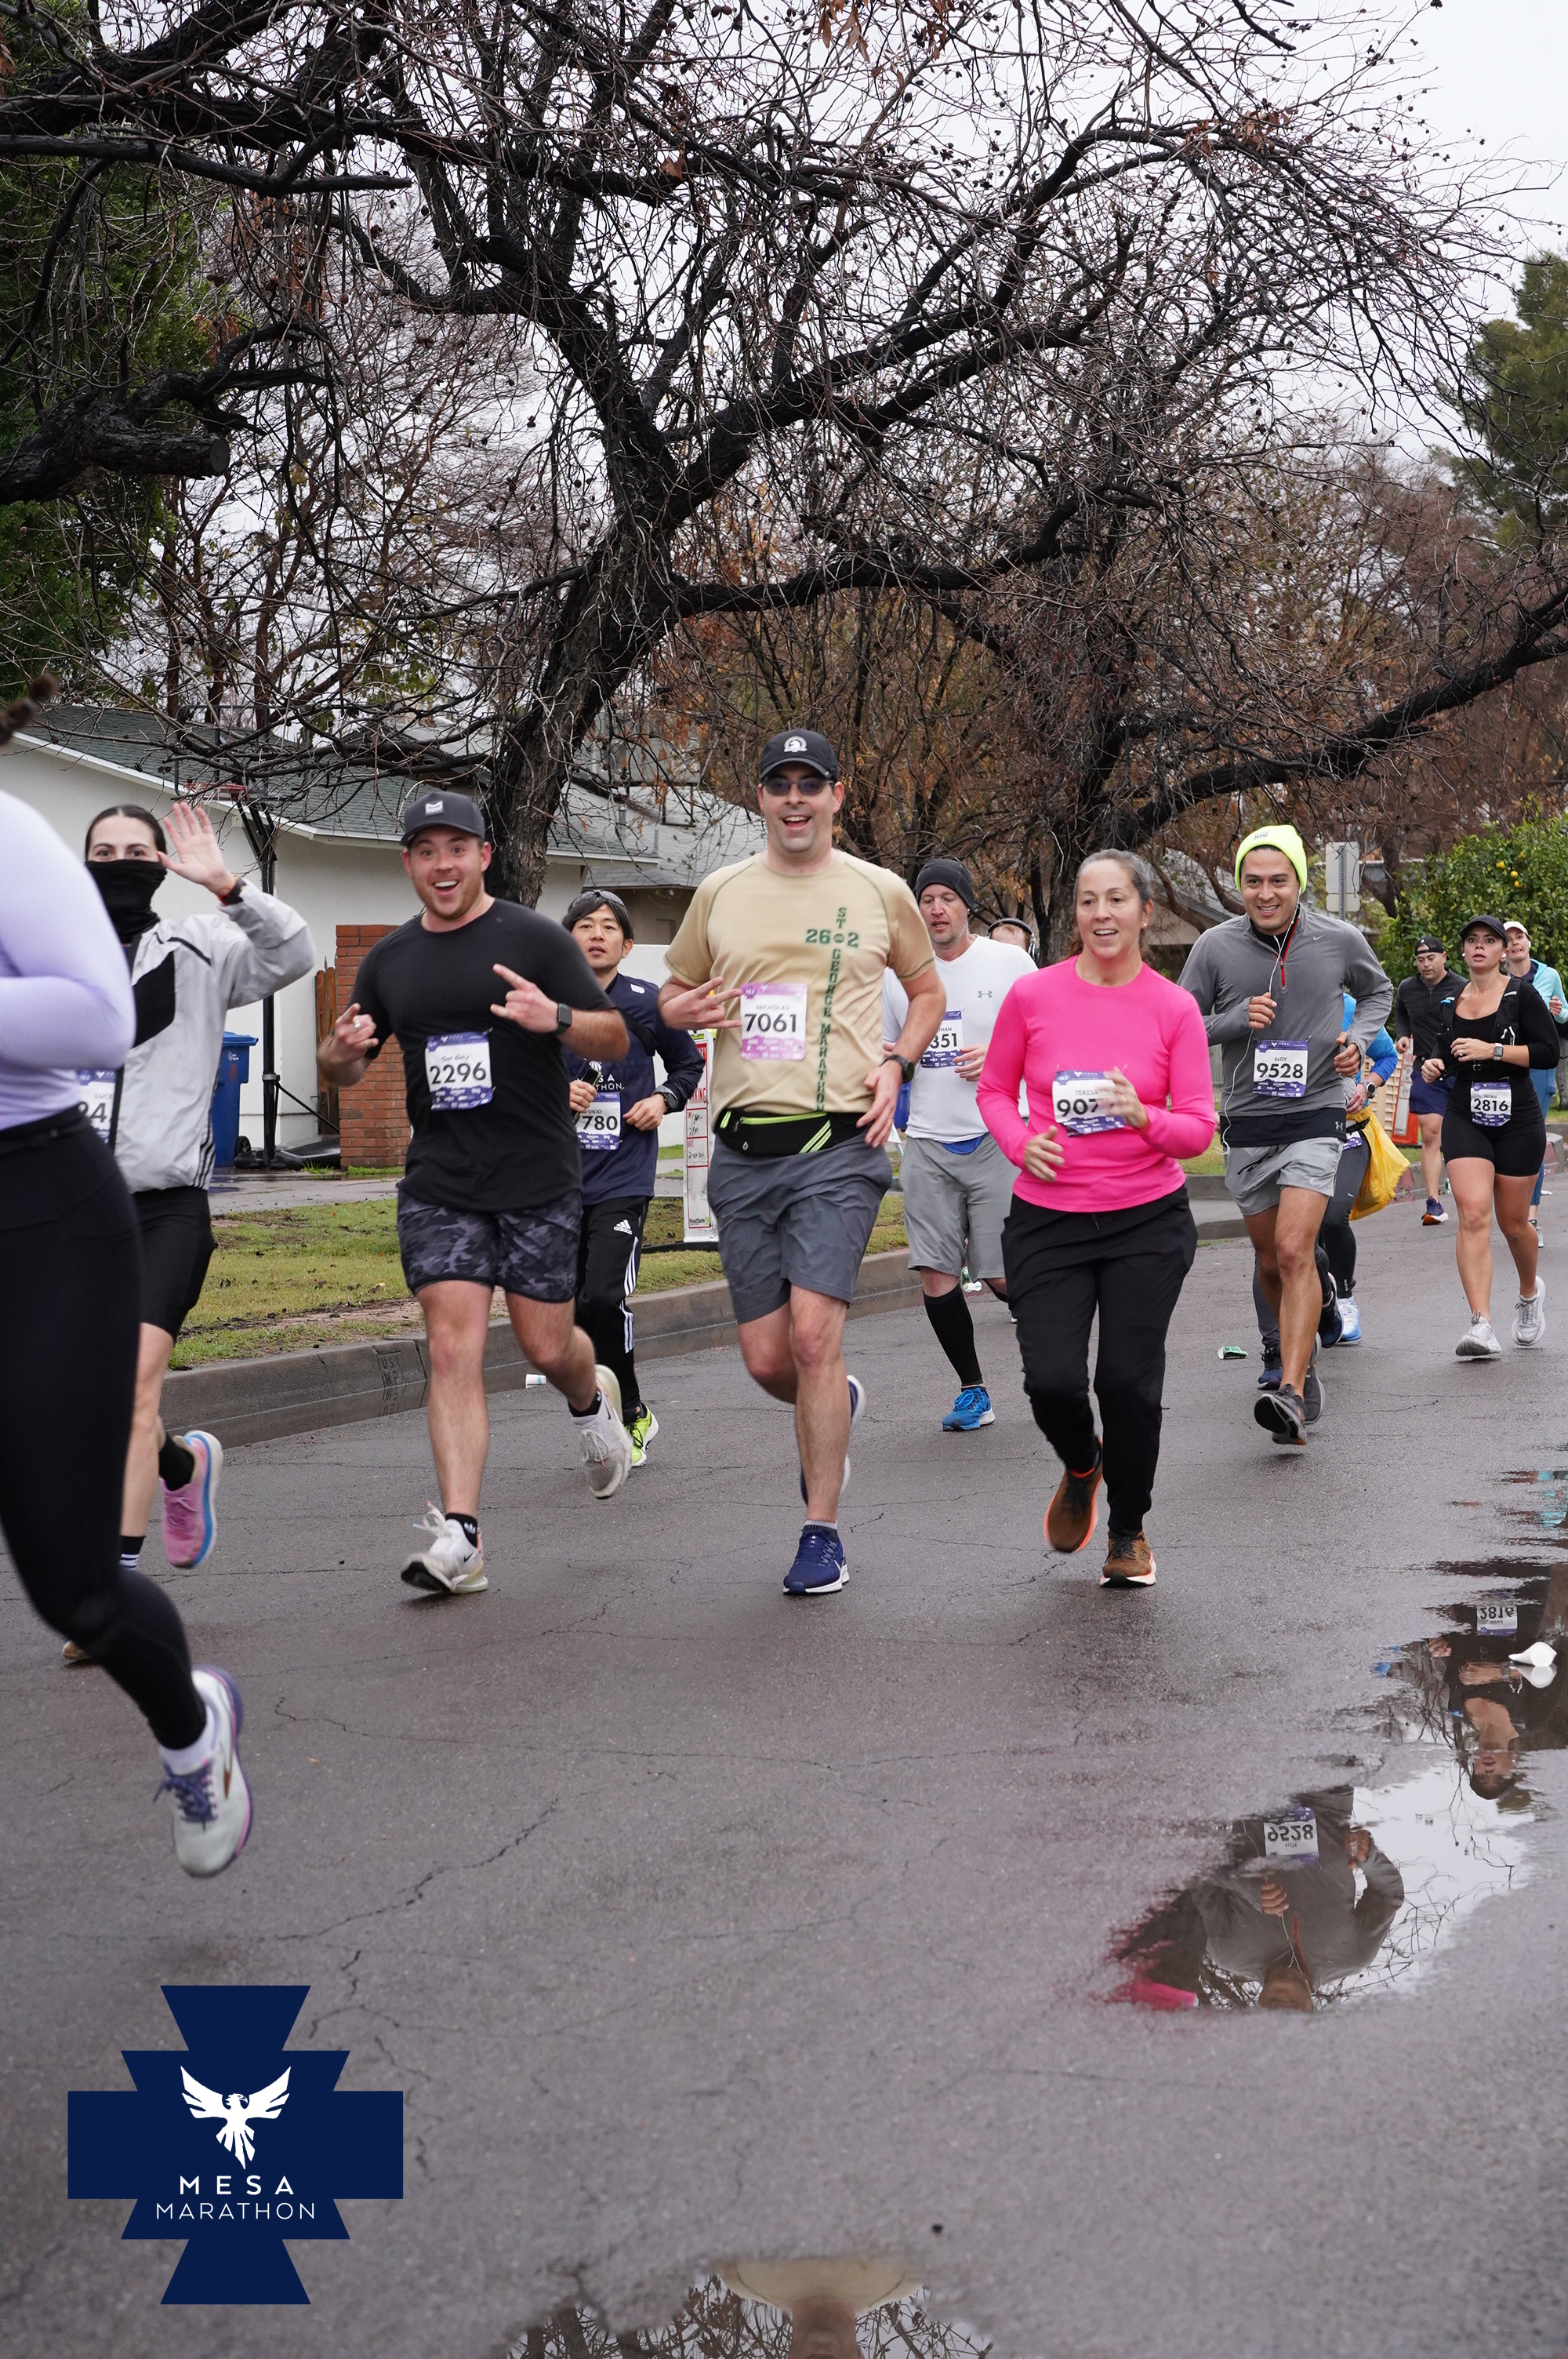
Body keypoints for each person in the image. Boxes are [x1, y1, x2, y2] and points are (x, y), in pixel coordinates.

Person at [0, 728, 249, 1874]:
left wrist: (226, 886)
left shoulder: (13, 842)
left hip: (41, 1207)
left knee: (77, 1591)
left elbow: (97, 1022)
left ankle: (193, 1732)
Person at [318, 791, 633, 1597]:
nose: (442, 865)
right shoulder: (390, 960)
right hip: (442, 1182)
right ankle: (461, 1535)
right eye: (425, 851)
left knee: (545, 1346)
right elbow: (345, 1067)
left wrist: (553, 1015)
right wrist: (338, 1052)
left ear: (484, 855)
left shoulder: (533, 938)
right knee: (452, 1346)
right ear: (408, 863)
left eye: (456, 848)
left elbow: (612, 1036)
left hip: (536, 1177)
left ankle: (589, 1396)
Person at [657, 728, 945, 1598]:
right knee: (766, 1358)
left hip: (839, 1146)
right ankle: (833, 1404)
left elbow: (926, 990)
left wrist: (897, 1061)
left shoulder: (878, 890)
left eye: (809, 784)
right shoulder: (720, 891)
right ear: (760, 797)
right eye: (779, 784)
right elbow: (671, 993)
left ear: (835, 796)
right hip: (743, 1152)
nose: (794, 799)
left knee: (814, 1335)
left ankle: (821, 1532)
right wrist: (684, 1010)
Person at [61, 798, 316, 1666]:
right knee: (91, 1398)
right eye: (103, 852)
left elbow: (294, 953)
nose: (120, 863)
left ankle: (110, 1590)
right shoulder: (50, 959)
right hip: (68, 1211)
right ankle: (181, 1467)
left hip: (165, 1207)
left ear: (162, 863)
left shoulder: (202, 948)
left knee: (132, 1385)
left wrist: (228, 887)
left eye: (137, 850)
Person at [977, 849, 1215, 1587]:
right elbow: (993, 1091)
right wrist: (1021, 1144)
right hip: (1048, 1219)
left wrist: (1145, 1116)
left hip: (1147, 1220)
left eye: (1116, 899)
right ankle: (1084, 1464)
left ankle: (1129, 1530)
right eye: (1088, 900)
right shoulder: (1033, 997)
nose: (1101, 914)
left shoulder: (1173, 1008)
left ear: (1145, 912)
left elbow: (1198, 1128)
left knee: (1127, 1384)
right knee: (1051, 1381)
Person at [1178, 823, 1392, 1447]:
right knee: (1272, 1258)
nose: (1265, 893)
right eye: (1253, 881)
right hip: (1249, 1121)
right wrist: (1234, 1019)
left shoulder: (1338, 938)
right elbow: (1180, 1022)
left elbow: (1377, 992)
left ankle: (1292, 1391)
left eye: (1278, 880)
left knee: (1296, 1249)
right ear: (1239, 885)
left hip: (1316, 1113)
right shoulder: (1215, 947)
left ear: (1299, 882)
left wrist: (1356, 1042)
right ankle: (1307, 1350)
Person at [880, 858, 1034, 1430]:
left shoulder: (1009, 963)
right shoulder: (897, 974)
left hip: (996, 1134)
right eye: (927, 899)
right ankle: (973, 1390)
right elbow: (884, 1050)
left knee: (1003, 1276)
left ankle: (1061, 1356)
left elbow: (1048, 1039)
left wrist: (999, 1057)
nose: (937, 909)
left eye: (947, 898)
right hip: (926, 1139)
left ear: (967, 904)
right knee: (936, 1272)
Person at [561, 885, 704, 1467]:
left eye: (608, 926)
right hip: (556, 1181)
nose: (596, 934)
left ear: (626, 944)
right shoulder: (545, 1005)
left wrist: (663, 1100)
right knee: (571, 1311)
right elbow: (514, 1079)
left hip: (624, 1177)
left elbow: (689, 1063)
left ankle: (632, 1414)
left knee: (603, 1297)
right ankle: (604, 1410)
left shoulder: (647, 1003)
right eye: (585, 925)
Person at [1421, 911, 1555, 1358]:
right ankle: (1481, 1324)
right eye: (1472, 940)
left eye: (1489, 940)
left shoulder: (1521, 994)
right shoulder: (1450, 1001)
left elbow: (1548, 1052)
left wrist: (1494, 1050)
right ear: (1463, 951)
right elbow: (1445, 1052)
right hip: (1466, 1113)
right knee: (1474, 1213)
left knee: (1514, 1224)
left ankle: (1530, 1293)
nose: (1480, 946)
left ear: (1502, 951)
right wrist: (1434, 1064)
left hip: (1518, 1117)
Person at [1251, 993, 1397, 1364]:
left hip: (1348, 1133)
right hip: (1293, 1136)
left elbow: (1387, 1056)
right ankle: (1310, 1307)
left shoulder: (1349, 1007)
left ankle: (1344, 1296)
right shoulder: (1267, 1004)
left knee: (1333, 1217)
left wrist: (1366, 1087)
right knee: (1294, 1238)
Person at [1502, 919, 1568, 1230]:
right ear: (1503, 949)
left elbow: (1565, 1014)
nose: (1515, 942)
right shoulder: (1496, 979)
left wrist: (1558, 1011)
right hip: (1504, 1065)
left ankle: (1531, 1218)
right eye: (1508, 938)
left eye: (1520, 937)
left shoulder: (1549, 975)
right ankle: (1509, 1214)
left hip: (1539, 1067)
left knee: (1533, 1140)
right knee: (1506, 1141)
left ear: (1528, 942)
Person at [1393, 934, 1457, 1223]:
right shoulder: (1407, 988)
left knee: (1462, 1133)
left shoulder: (1461, 986)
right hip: (1424, 1068)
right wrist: (1402, 1035)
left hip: (1458, 1067)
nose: (1426, 964)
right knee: (1430, 1133)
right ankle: (1433, 1202)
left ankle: (1471, 1191)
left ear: (1444, 957)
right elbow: (1401, 1014)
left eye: (1431, 958)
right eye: (1420, 960)